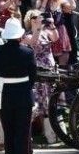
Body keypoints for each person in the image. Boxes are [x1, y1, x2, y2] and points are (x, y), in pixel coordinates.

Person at [0, 17, 36, 154]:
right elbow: (33, 76)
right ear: (19, 35)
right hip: (23, 93)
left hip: (5, 94)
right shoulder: (28, 52)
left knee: (8, 131)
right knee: (23, 131)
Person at [22, 10, 58, 144]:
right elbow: (33, 43)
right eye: (36, 17)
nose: (39, 19)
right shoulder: (26, 35)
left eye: (40, 17)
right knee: (35, 105)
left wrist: (52, 24)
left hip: (50, 70)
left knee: (50, 103)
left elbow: (55, 38)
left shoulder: (47, 32)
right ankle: (26, 136)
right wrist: (37, 29)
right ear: (30, 20)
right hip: (37, 73)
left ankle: (51, 135)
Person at [36, 0, 72, 66]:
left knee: (64, 56)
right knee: (48, 56)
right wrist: (45, 0)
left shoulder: (60, 1)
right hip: (47, 31)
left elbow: (72, 7)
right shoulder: (39, 2)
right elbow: (39, 15)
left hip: (60, 30)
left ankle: (63, 74)